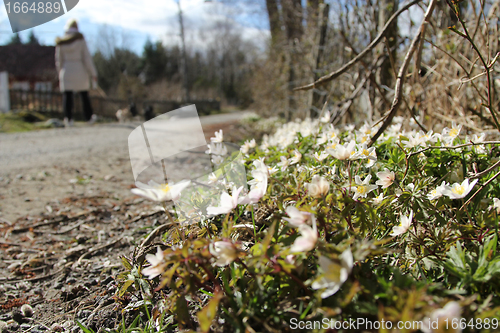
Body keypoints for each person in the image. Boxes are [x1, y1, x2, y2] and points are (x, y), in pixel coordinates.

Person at [55, 19, 98, 127]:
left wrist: (60, 72)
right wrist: (93, 73)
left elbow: (58, 60)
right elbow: (87, 58)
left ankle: (68, 118)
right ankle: (88, 117)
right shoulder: (80, 40)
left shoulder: (61, 41)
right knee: (84, 95)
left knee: (67, 95)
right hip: (80, 69)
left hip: (66, 69)